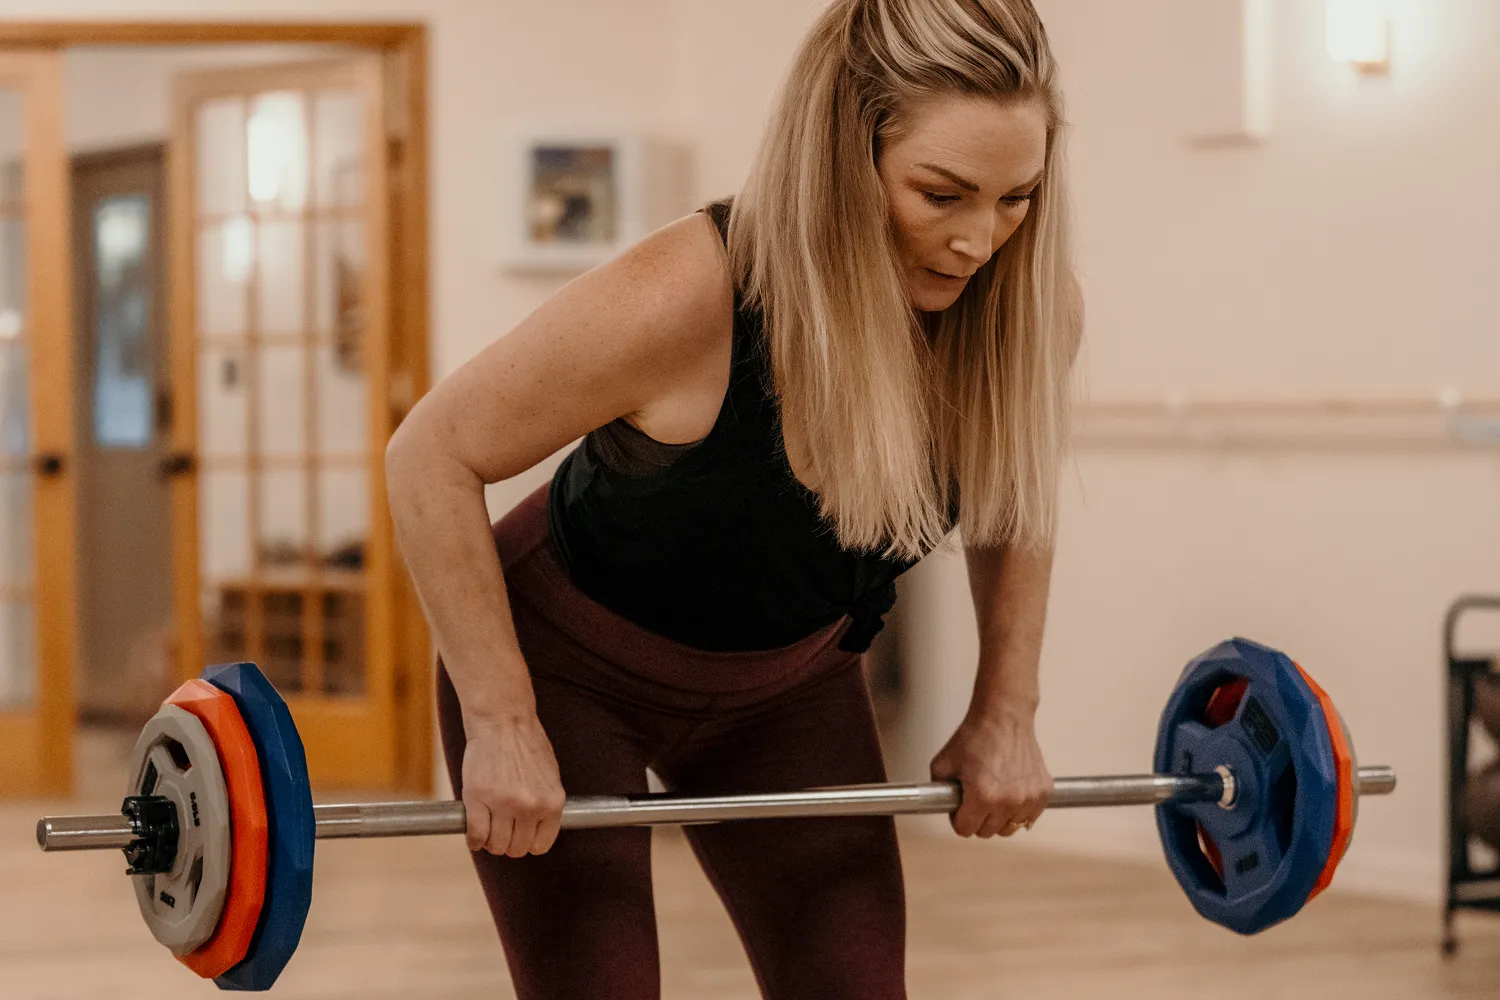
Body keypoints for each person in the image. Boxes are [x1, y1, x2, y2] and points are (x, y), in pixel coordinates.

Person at [386, 0, 1082, 995]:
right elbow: (430, 453)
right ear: (848, 156)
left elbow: (1015, 499)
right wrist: (501, 721)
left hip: (787, 690)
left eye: (1017, 198)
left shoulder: (1020, 310)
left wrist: (1005, 710)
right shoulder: (689, 294)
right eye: (943, 194)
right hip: (565, 674)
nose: (980, 240)